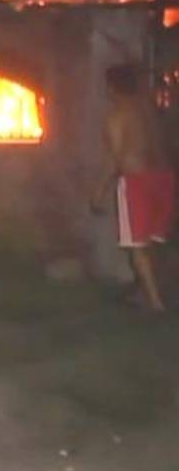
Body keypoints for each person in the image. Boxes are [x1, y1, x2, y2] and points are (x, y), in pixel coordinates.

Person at [93, 63, 173, 312]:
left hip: (137, 182)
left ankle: (155, 303)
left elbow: (115, 158)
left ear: (111, 88)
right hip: (163, 178)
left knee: (137, 245)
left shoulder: (117, 116)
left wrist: (99, 192)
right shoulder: (148, 111)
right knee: (153, 240)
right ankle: (145, 290)